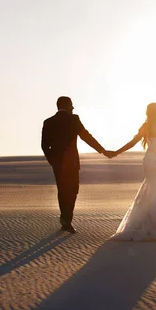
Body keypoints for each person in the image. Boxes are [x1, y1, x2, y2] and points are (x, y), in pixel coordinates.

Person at [109, 102, 156, 241]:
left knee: (151, 188)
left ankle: (148, 222)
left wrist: (117, 152)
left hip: (150, 158)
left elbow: (132, 142)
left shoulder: (146, 127)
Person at [41, 96, 115, 233]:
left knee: (63, 191)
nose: (73, 108)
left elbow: (44, 146)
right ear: (67, 106)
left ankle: (65, 219)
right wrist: (102, 150)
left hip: (58, 165)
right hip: (72, 163)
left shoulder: (48, 122)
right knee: (73, 190)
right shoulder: (73, 119)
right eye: (72, 105)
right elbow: (86, 136)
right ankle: (66, 220)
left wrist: (53, 162)